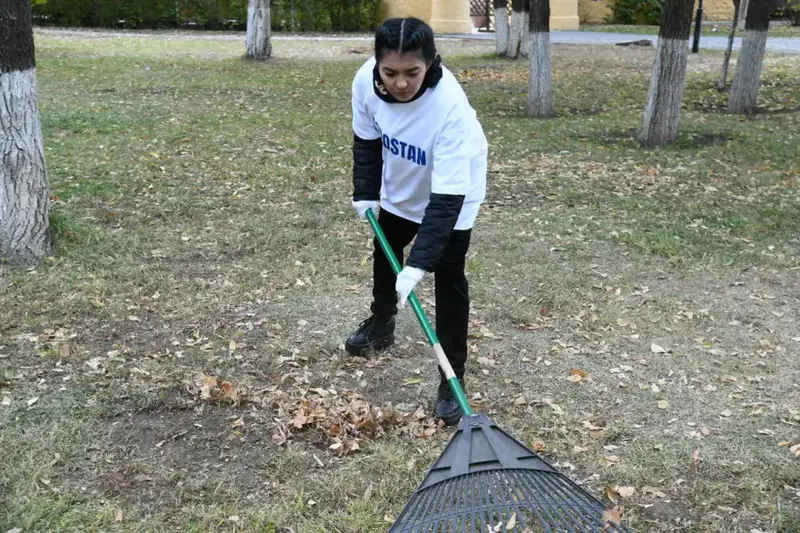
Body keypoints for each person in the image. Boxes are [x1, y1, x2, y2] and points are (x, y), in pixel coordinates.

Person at [344, 17, 488, 426]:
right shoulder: (363, 83)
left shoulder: (449, 109)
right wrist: (366, 191)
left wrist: (419, 264)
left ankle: (451, 375)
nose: (401, 83)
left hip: (454, 191)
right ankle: (382, 322)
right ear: (377, 65)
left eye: (413, 73)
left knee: (448, 275)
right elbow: (367, 141)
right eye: (390, 72)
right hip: (403, 180)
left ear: (431, 64)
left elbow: (445, 202)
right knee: (385, 250)